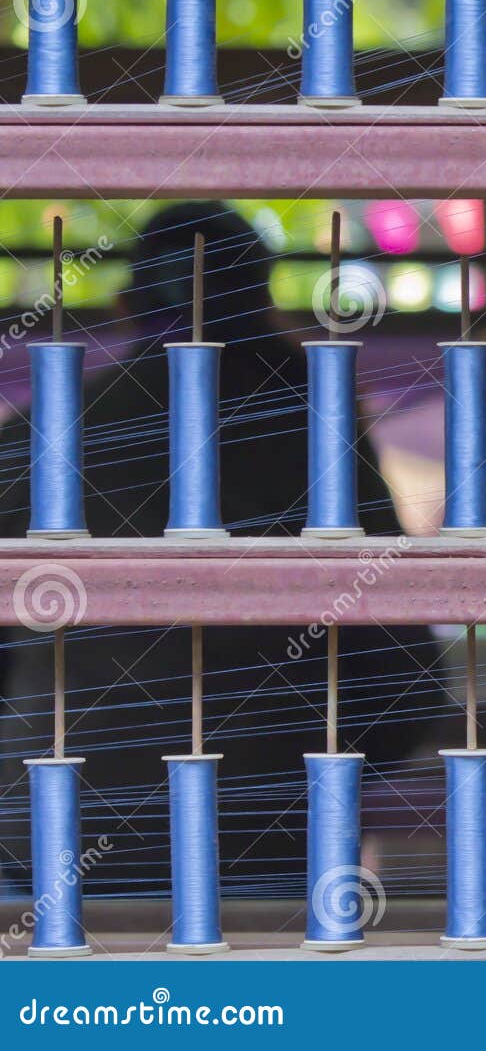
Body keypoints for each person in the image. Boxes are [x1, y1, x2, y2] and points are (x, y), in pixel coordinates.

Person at [0, 202, 441, 897]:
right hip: (265, 835)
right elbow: (407, 670)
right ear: (265, 300)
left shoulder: (37, 435)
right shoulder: (314, 429)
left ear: (123, 305)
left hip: (54, 830)